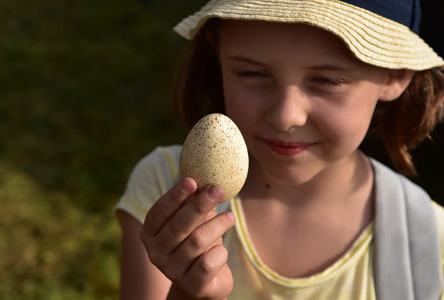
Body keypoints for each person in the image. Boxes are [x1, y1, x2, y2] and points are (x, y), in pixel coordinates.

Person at [115, 0, 444, 299]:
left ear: (395, 74)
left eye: (326, 80)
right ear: (217, 50)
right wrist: (190, 294)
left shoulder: (431, 247)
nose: (286, 117)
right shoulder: (166, 191)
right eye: (252, 73)